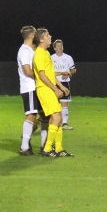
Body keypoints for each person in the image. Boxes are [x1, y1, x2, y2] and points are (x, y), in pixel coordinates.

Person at [33, 28, 72, 157]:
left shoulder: (46, 53)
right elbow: (42, 76)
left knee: (58, 117)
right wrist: (55, 89)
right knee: (56, 117)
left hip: (49, 88)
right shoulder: (39, 54)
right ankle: (47, 148)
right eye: (47, 35)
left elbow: (50, 74)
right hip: (44, 89)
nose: (50, 36)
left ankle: (59, 148)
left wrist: (60, 86)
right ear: (41, 39)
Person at [16, 25, 39, 156]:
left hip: (34, 87)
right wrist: (42, 76)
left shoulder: (30, 50)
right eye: (35, 34)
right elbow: (28, 71)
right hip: (29, 87)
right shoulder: (24, 51)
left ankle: (28, 140)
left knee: (37, 116)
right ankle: (24, 147)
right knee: (30, 115)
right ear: (31, 36)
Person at [51, 39, 76, 130]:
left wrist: (69, 73)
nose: (60, 47)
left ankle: (64, 123)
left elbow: (73, 70)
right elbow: (50, 72)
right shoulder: (51, 58)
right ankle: (53, 122)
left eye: (61, 46)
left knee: (65, 103)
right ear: (54, 48)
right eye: (58, 46)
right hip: (53, 83)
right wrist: (61, 73)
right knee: (54, 103)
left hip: (65, 83)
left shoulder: (68, 57)